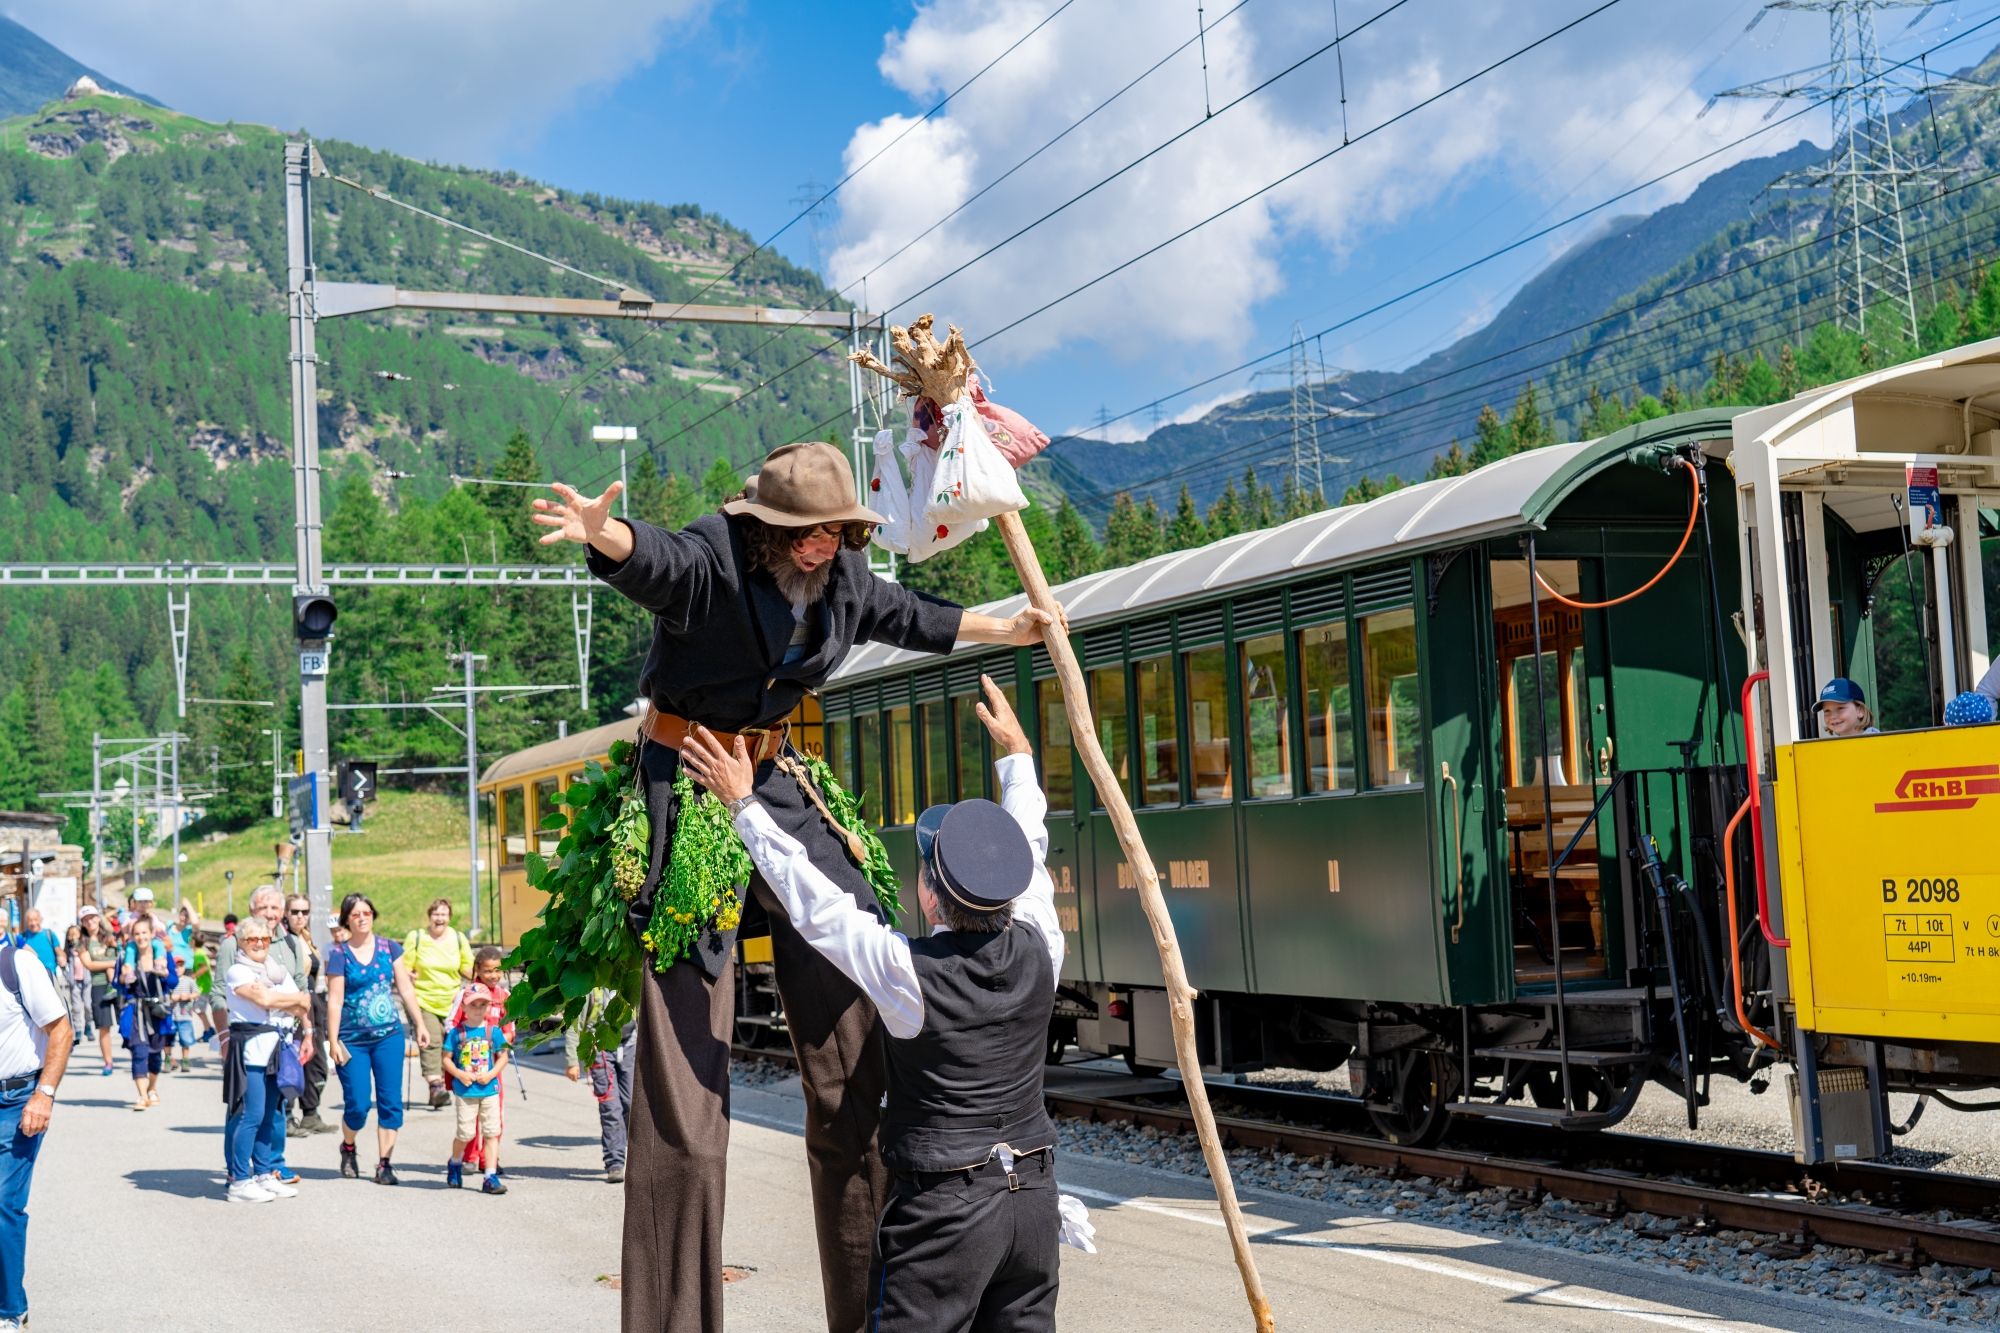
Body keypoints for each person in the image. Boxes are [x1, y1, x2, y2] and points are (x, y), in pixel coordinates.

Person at [534, 442, 1055, 1331]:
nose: (822, 549)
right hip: (688, 781)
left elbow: (911, 615)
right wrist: (604, 534)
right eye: (807, 536)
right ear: (768, 531)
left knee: (859, 1035)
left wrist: (1010, 630)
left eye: (836, 533)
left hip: (775, 777)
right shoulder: (714, 560)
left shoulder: (845, 579)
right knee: (687, 1100)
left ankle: (878, 1304)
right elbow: (653, 558)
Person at [680, 674, 1070, 1332]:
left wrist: (746, 806)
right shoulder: (1042, 944)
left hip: (947, 1211)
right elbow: (1030, 849)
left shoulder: (908, 975)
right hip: (1034, 1203)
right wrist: (1019, 759)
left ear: (928, 895)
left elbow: (819, 910)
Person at [325, 893, 429, 1185]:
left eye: (366, 912)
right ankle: (348, 1147)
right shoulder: (339, 955)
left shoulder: (389, 948)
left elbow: (406, 989)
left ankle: (384, 1164)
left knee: (390, 1101)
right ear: (347, 919)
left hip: (389, 1036)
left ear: (373, 915)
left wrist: (419, 1023)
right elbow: (334, 1001)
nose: (362, 918)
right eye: (356, 914)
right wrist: (332, 1041)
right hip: (352, 1039)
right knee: (357, 1104)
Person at [0, 930, 74, 1330]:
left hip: (14, 1102)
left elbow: (61, 1031)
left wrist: (44, 1094)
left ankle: (9, 1310)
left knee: (2, 1204)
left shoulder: (17, 965)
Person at [221, 918, 311, 1203]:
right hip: (252, 1052)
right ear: (242, 943)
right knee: (252, 1115)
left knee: (271, 1114)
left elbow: (305, 1003)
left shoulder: (277, 970)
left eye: (264, 939)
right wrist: (287, 998)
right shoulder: (237, 971)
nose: (259, 943)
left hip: (277, 1050)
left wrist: (284, 998)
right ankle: (239, 1179)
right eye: (252, 939)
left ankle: (262, 1173)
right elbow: (266, 1002)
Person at [446, 946, 512, 1173]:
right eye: (488, 971)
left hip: (492, 1067)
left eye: (497, 971)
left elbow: (509, 1027)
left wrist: (505, 1039)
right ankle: (470, 1157)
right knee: (470, 1115)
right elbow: (452, 1025)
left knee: (493, 1113)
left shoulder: (504, 996)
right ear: (477, 970)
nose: (493, 976)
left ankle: (489, 1160)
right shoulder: (467, 994)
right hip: (467, 1065)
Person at [403, 899, 473, 1111]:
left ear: (449, 917)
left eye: (443, 914)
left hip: (452, 1001)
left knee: (452, 1043)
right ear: (429, 916)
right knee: (431, 1040)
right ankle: (435, 1087)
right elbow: (404, 968)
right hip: (424, 1000)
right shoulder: (417, 938)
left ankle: (449, 1083)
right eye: (436, 914)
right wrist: (408, 975)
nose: (439, 918)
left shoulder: (458, 939)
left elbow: (468, 967)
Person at [564, 987, 635, 1184]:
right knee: (611, 1108)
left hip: (629, 1045)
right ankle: (615, 1163)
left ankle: (631, 1148)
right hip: (600, 1049)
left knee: (631, 1103)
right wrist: (572, 1060)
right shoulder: (591, 988)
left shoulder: (630, 977)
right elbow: (574, 1023)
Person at [284, 895, 335, 1136]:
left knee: (316, 1061)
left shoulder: (305, 937)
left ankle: (311, 1113)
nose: (300, 917)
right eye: (294, 912)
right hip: (293, 1005)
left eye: (304, 912)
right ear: (286, 913)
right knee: (293, 1059)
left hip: (314, 1003)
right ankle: (285, 1115)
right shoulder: (282, 940)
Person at [118, 915, 177, 1111]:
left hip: (158, 1012)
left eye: (144, 933)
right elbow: (117, 985)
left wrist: (165, 974)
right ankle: (142, 1096)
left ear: (152, 934)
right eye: (137, 934)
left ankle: (152, 1088)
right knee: (139, 1052)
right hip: (137, 1012)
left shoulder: (163, 955)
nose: (141, 937)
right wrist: (124, 978)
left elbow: (174, 982)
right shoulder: (127, 956)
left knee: (155, 1055)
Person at [79, 907, 118, 1077]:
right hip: (98, 985)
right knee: (104, 1027)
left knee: (128, 1022)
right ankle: (108, 1061)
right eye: (86, 919)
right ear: (82, 923)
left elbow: (118, 954)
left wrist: (112, 963)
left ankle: (136, 1056)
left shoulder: (108, 936)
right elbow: (89, 965)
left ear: (98, 918)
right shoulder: (83, 943)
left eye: (93, 917)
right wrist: (110, 964)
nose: (90, 921)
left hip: (116, 983)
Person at [1815, 678, 1879, 737]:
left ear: (1860, 711)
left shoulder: (1877, 742)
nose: (1833, 716)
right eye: (1827, 711)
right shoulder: (1831, 747)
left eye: (1840, 708)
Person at [7, 914, 57, 984]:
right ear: (26, 922)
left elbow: (58, 951)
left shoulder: (49, 934)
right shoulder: (22, 937)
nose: (33, 923)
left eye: (36, 920)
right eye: (30, 920)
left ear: (40, 920)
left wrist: (62, 957)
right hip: (31, 977)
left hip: (50, 974)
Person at [59, 926, 88, 1040]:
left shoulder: (84, 946)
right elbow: (64, 965)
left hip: (86, 980)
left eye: (76, 934)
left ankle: (88, 1024)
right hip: (74, 981)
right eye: (71, 935)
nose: (73, 937)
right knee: (76, 1007)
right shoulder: (68, 950)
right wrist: (67, 976)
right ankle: (78, 1029)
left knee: (87, 1005)